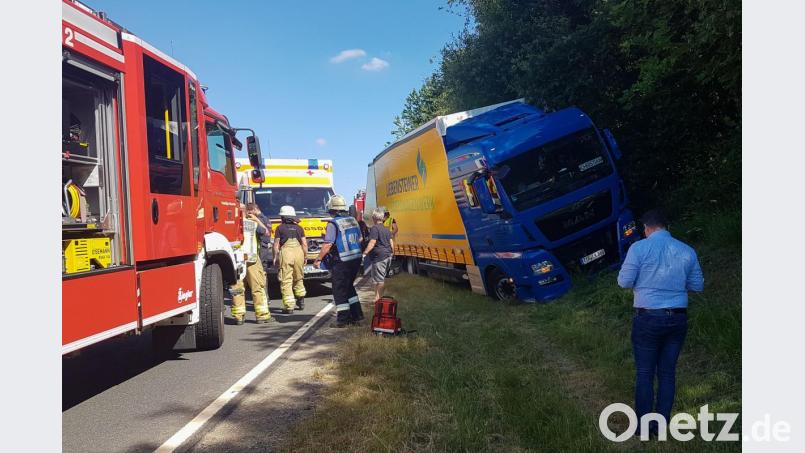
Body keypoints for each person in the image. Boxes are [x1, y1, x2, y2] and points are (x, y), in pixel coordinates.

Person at [617, 209, 704, 436]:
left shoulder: (639, 248)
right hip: (677, 318)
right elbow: (697, 285)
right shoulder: (687, 251)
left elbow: (624, 282)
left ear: (646, 228)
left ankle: (644, 427)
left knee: (645, 372)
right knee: (667, 373)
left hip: (647, 317)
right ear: (667, 227)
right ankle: (661, 425)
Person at [313, 194, 364, 327]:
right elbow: (360, 239)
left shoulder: (333, 223)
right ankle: (357, 316)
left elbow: (327, 245)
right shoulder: (353, 220)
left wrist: (318, 259)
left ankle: (343, 320)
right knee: (349, 287)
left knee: (339, 289)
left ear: (333, 209)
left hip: (342, 261)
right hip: (356, 259)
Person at [231, 203, 271, 324]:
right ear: (246, 212)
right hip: (252, 259)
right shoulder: (251, 223)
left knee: (237, 288)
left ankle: (238, 316)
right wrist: (257, 219)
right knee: (257, 287)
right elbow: (266, 233)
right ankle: (261, 315)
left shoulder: (229, 226)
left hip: (236, 261)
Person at [273, 205, 307, 314]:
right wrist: (305, 256)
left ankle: (289, 306)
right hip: (299, 253)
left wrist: (275, 257)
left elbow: (276, 245)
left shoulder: (279, 228)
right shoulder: (299, 228)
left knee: (286, 280)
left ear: (283, 217)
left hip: (286, 253)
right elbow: (304, 244)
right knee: (299, 277)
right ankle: (301, 300)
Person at [362, 208, 394, 301]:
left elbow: (372, 242)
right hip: (387, 256)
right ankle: (376, 297)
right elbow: (391, 242)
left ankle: (378, 299)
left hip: (380, 258)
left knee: (379, 280)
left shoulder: (374, 228)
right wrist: (392, 253)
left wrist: (364, 253)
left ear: (374, 217)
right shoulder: (387, 229)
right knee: (378, 278)